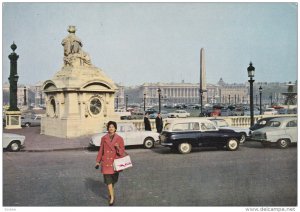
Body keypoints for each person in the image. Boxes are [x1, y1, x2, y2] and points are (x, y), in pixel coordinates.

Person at [95, 121, 125, 206]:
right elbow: (101, 151)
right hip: (106, 163)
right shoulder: (104, 138)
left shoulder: (120, 139)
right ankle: (112, 197)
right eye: (109, 127)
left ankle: (111, 192)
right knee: (108, 181)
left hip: (115, 163)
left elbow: (122, 152)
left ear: (115, 128)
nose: (111, 128)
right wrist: (98, 161)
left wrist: (117, 147)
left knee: (113, 181)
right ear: (108, 128)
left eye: (112, 127)